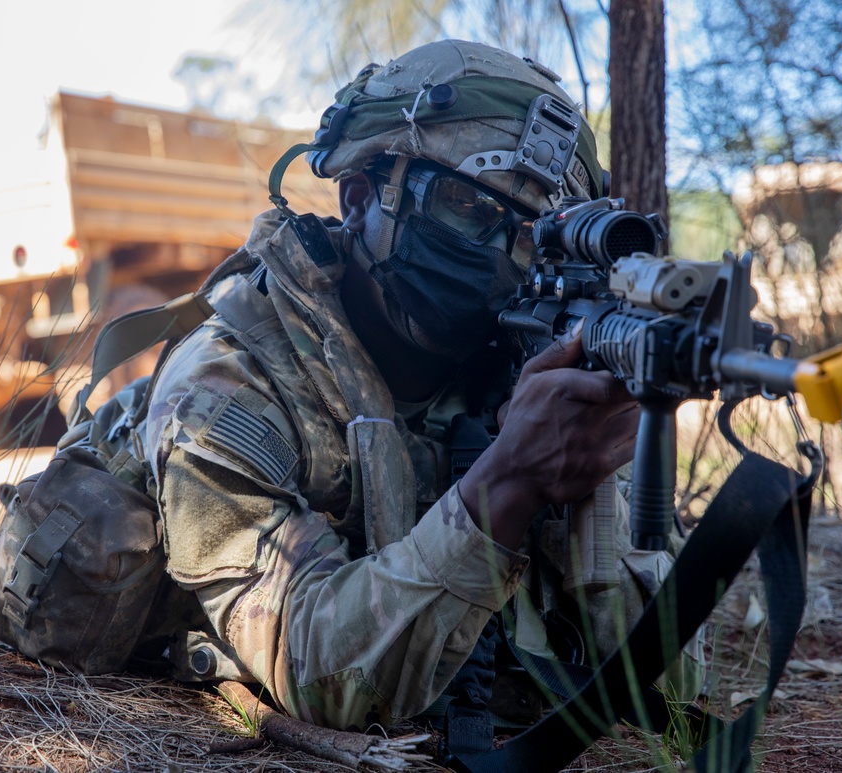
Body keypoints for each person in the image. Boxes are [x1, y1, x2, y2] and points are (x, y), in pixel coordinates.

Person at [140, 39, 699, 731]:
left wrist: (592, 482)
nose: (500, 255)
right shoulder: (224, 383)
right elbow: (318, 670)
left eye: (530, 235)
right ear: (358, 197)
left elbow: (673, 681)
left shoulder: (518, 362)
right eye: (465, 203)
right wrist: (510, 483)